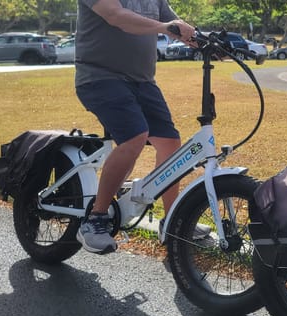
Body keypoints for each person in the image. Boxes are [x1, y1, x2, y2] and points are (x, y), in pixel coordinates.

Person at [73, 0, 196, 255]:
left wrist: (206, 41)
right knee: (135, 136)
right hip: (99, 78)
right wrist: (165, 27)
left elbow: (177, 26)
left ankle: (173, 221)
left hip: (142, 81)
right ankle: (95, 219)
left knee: (170, 145)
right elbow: (117, 16)